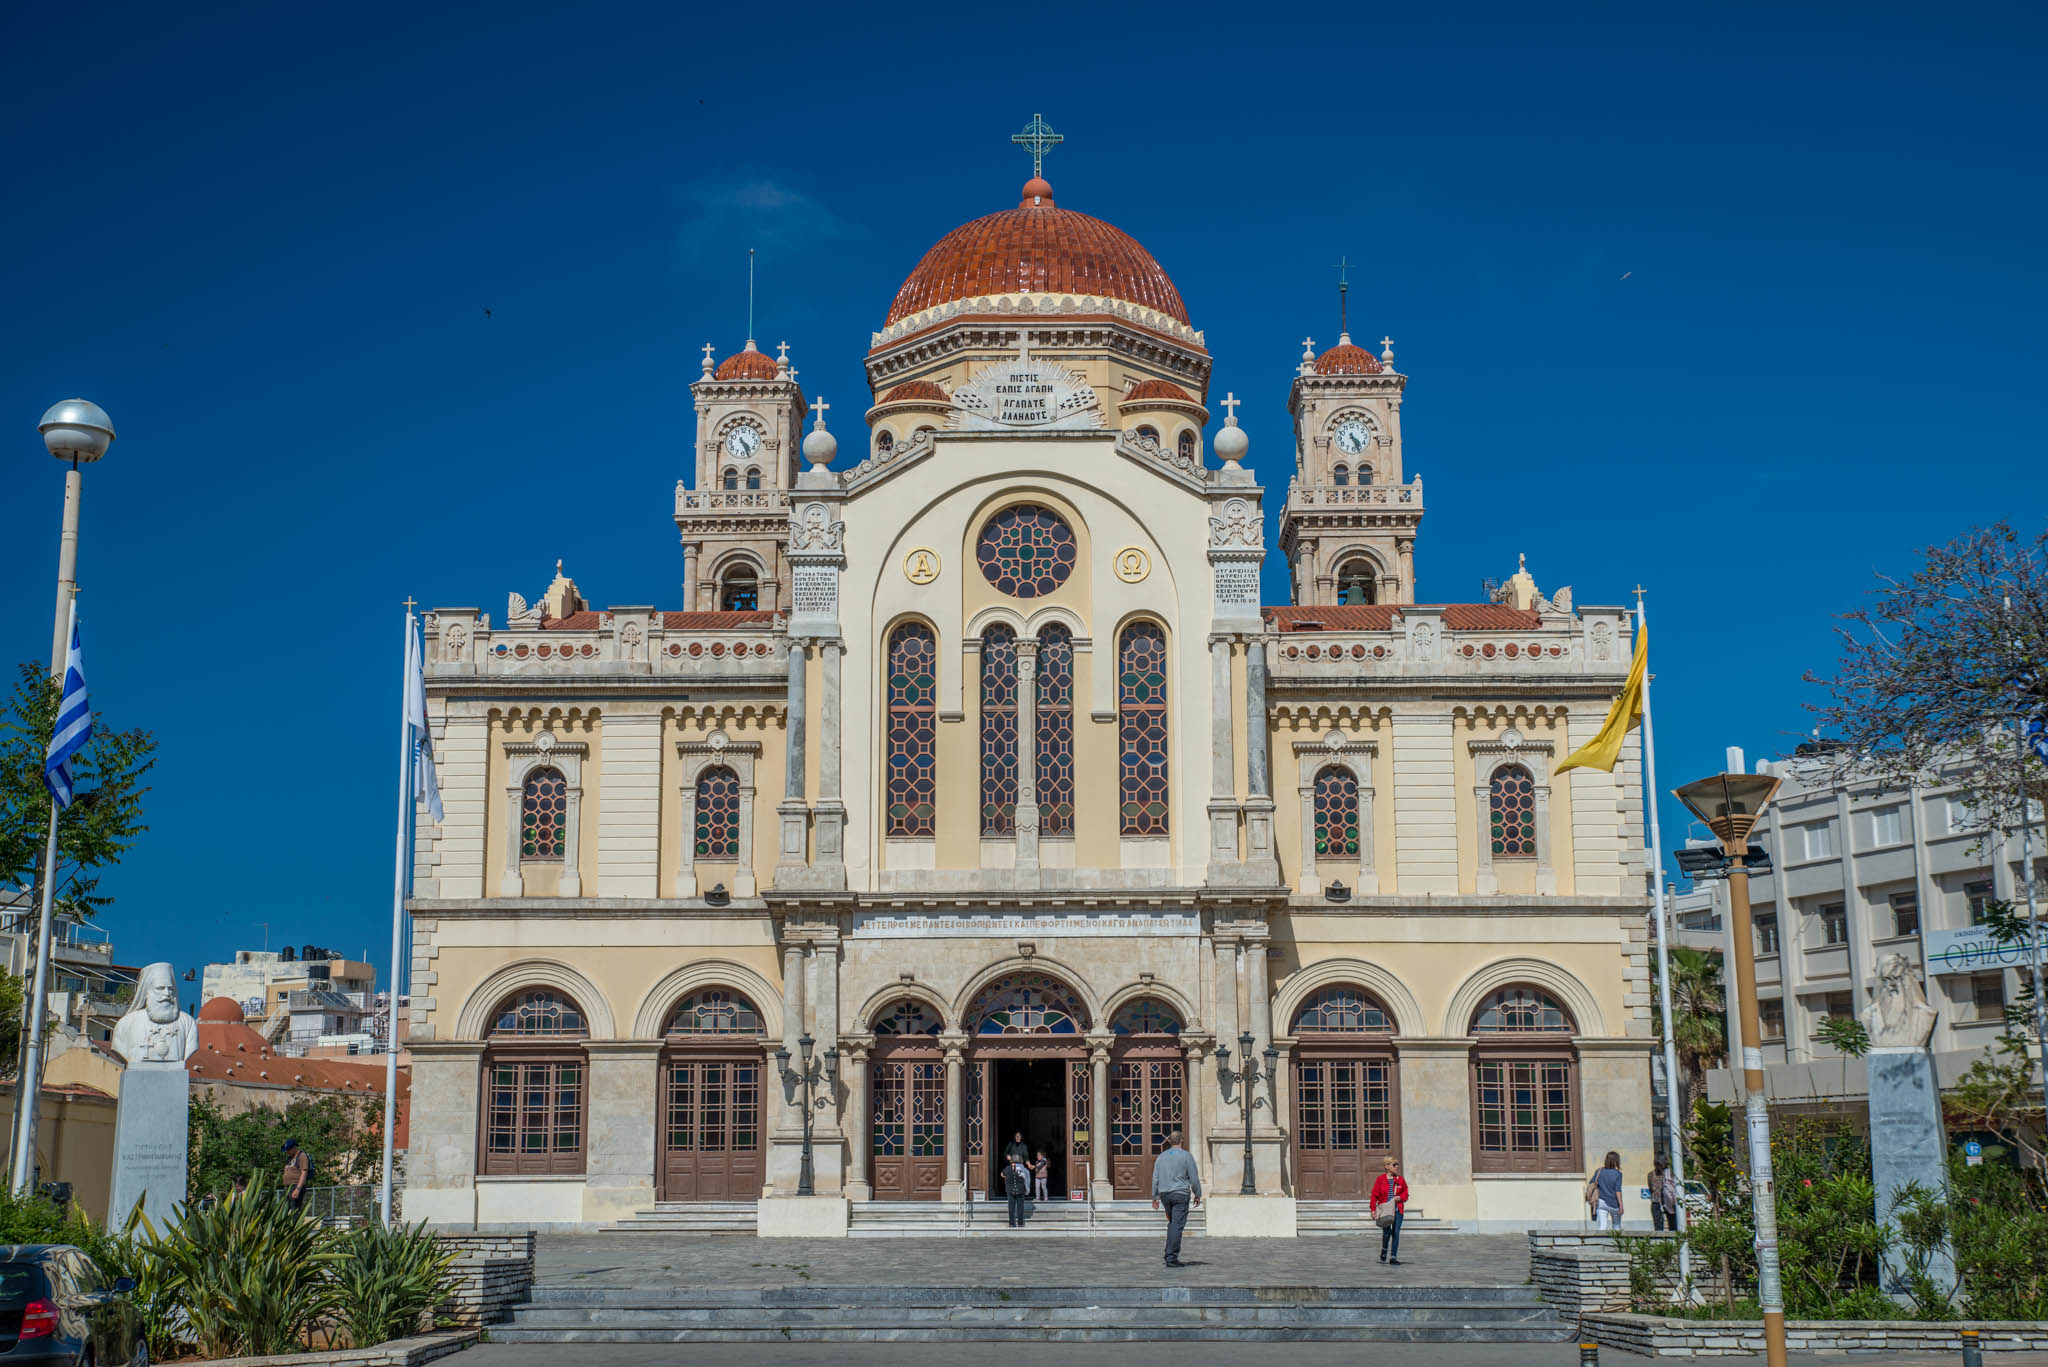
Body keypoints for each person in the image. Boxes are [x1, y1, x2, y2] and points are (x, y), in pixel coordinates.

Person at [1149, 1130, 1202, 1267]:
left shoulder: (1161, 1157)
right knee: (1176, 1225)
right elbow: (1194, 1178)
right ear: (1181, 1140)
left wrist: (1155, 1197)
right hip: (1180, 1194)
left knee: (1173, 1224)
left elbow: (1155, 1178)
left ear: (1169, 1141)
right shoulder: (1186, 1156)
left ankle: (1169, 1254)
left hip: (1165, 1194)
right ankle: (1171, 1257)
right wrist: (1197, 1194)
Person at [1370, 1156, 1409, 1264]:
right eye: (1394, 1165)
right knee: (1387, 1232)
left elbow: (1406, 1193)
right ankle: (1384, 1250)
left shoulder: (1400, 1180)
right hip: (1385, 1210)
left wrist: (1400, 1197)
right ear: (1387, 1166)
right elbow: (1374, 1195)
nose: (1396, 1167)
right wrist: (1373, 1210)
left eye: (1397, 1165)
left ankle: (1393, 1257)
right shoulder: (1380, 1180)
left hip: (1397, 1210)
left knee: (1396, 1232)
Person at [1587, 1149, 1624, 1230]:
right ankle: (1617, 1238)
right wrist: (1621, 1205)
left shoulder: (1599, 1171)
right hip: (1614, 1203)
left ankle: (1601, 1238)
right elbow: (1618, 1190)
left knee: (1602, 1226)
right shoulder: (1618, 1174)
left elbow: (1591, 1183)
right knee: (1616, 1226)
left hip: (1601, 1202)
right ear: (1616, 1161)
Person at [283, 1138, 312, 1213]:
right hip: (288, 1187)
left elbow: (304, 1173)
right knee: (285, 1209)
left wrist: (298, 1189)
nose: (287, 1152)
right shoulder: (290, 1158)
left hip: (295, 1186)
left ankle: (295, 1221)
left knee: (295, 1209)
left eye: (288, 1149)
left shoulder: (302, 1156)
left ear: (294, 1147)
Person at [1649, 1157, 1677, 1233]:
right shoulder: (1651, 1175)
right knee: (1659, 1227)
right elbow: (1651, 1189)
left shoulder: (1669, 1174)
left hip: (1668, 1202)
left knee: (1672, 1225)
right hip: (1657, 1202)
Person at [1004, 1153, 1032, 1227]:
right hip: (1020, 1189)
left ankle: (1011, 1223)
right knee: (1020, 1207)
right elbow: (1027, 1180)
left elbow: (1003, 1174)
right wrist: (1027, 1190)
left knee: (1011, 1207)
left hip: (1010, 1190)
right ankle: (1020, 1223)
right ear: (1021, 1160)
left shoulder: (1008, 1168)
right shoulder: (1024, 1169)